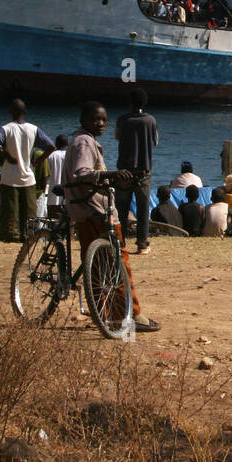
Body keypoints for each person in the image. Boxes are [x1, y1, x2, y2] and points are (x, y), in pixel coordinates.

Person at [65, 101, 158, 332]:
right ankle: (129, 314)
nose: (102, 124)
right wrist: (111, 173)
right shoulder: (84, 142)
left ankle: (104, 314)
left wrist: (113, 177)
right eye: (96, 119)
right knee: (119, 263)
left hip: (84, 208)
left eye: (105, 120)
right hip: (95, 210)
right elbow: (82, 173)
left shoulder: (81, 140)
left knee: (97, 267)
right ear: (83, 121)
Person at [0, 99, 55, 242]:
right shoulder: (33, 129)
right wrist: (39, 160)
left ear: (10, 112)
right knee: (29, 211)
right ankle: (28, 235)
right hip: (28, 176)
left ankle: (10, 235)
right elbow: (51, 146)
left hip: (9, 177)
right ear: (25, 112)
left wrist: (4, 153)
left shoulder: (5, 129)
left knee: (10, 210)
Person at [115, 88, 159, 255]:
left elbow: (117, 137)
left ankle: (120, 243)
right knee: (143, 209)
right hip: (143, 170)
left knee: (121, 210)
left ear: (129, 103)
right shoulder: (151, 120)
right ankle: (142, 244)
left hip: (124, 171)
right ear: (145, 103)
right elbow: (155, 141)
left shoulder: (122, 119)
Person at [45, 135, 69, 214]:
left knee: (53, 219)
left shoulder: (51, 156)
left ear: (56, 144)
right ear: (67, 144)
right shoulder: (71, 155)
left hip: (53, 193)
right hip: (68, 194)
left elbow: (46, 174)